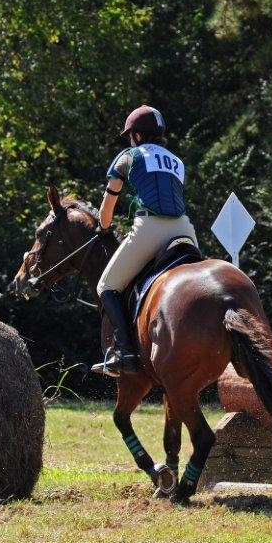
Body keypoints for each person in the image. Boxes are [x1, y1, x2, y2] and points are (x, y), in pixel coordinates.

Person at [93, 105, 198, 377]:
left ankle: (125, 353)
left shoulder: (127, 157)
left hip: (150, 228)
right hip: (185, 229)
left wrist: (104, 228)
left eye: (131, 135)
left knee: (106, 286)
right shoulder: (177, 162)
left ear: (137, 136)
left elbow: (107, 207)